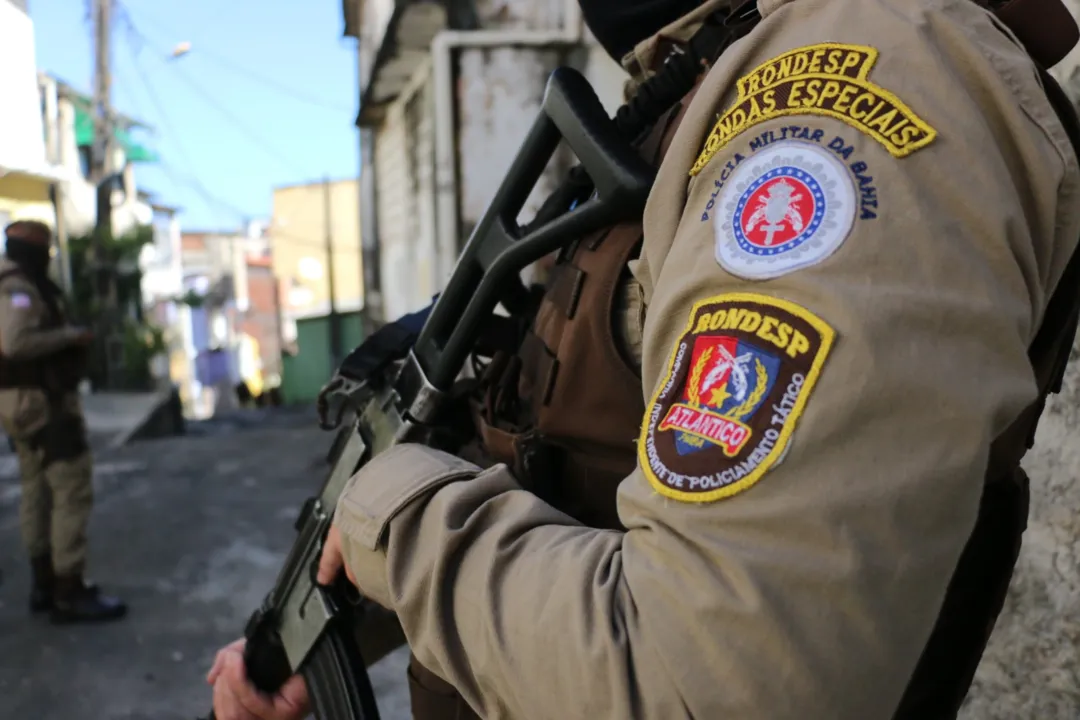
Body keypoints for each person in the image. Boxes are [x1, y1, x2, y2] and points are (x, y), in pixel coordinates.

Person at [208, 0, 1080, 717]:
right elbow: (564, 466)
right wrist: (327, 627)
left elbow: (711, 684)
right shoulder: (704, 82)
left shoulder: (853, 75)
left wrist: (384, 515)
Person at [0, 220, 127, 624]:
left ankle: (45, 583)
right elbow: (15, 343)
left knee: (37, 489)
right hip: (40, 405)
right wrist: (68, 337)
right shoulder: (18, 287)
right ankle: (68, 589)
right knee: (71, 486)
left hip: (20, 405)